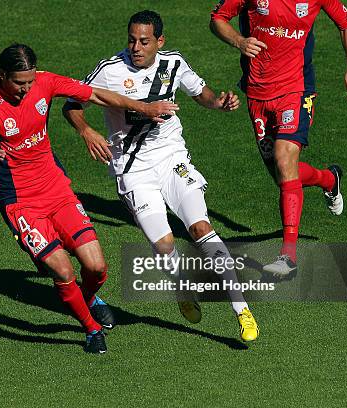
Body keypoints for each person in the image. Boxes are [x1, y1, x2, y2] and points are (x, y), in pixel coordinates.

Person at [0, 43, 177, 353]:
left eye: (30, 82)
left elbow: (96, 94)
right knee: (62, 271)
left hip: (56, 189)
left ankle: (86, 300)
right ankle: (90, 329)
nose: (27, 89)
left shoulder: (45, 82)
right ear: (4, 76)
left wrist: (145, 108)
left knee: (97, 267)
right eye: (20, 83)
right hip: (21, 202)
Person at [63, 10, 259, 342]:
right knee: (165, 243)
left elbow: (201, 93)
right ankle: (182, 287)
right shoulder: (110, 70)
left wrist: (219, 102)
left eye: (144, 41)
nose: (135, 47)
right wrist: (86, 131)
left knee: (201, 228)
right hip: (133, 169)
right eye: (131, 40)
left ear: (160, 41)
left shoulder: (174, 63)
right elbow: (71, 102)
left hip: (172, 159)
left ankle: (242, 311)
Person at [210, 0, 347, 276]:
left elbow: (346, 24)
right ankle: (329, 179)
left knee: (284, 158)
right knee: (283, 175)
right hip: (257, 92)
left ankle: (288, 256)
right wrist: (239, 41)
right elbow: (218, 19)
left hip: (296, 88)